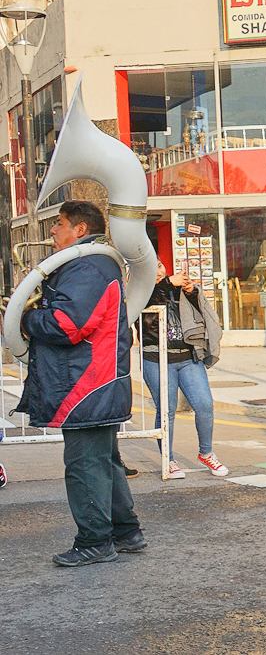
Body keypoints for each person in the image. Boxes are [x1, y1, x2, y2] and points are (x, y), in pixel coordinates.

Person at [15, 201, 144, 566]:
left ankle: (94, 542)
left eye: (59, 224)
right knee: (105, 461)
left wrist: (28, 319)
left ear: (81, 230)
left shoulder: (86, 265)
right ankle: (126, 532)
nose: (53, 231)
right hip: (98, 382)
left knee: (85, 465)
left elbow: (66, 325)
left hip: (85, 384)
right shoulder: (96, 263)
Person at [141, 260, 228, 480]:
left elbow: (199, 313)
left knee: (205, 404)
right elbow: (145, 304)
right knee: (166, 411)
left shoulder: (173, 288)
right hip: (157, 358)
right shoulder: (141, 290)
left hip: (188, 357)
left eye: (160, 265)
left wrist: (190, 292)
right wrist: (169, 282)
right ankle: (167, 459)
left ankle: (206, 453)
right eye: (154, 267)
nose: (159, 270)